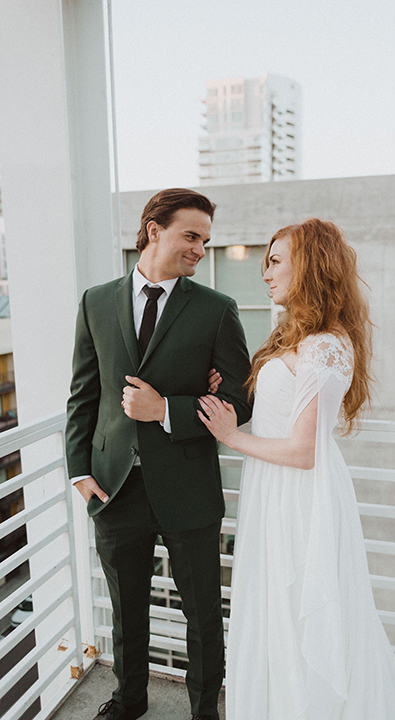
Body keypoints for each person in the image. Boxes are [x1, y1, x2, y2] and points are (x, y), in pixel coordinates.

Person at [199, 218, 395, 720]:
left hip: (301, 496)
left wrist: (231, 437)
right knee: (274, 614)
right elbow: (278, 405)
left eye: (276, 261)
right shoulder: (295, 336)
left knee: (299, 617)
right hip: (272, 491)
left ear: (310, 266)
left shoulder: (326, 344)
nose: (266, 274)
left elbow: (304, 451)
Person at [65, 188, 252, 720]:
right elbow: (82, 396)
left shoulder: (217, 309)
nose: (199, 249)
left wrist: (166, 409)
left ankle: (204, 712)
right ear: (154, 230)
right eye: (191, 236)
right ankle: (129, 702)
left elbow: (238, 401)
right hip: (113, 486)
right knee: (127, 611)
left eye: (205, 240)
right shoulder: (94, 301)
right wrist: (79, 471)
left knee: (201, 614)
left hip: (188, 485)